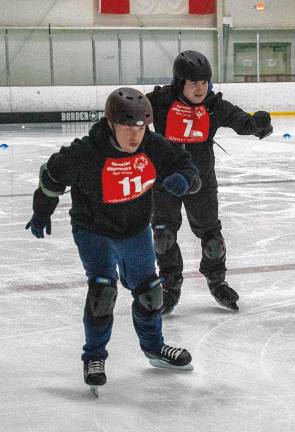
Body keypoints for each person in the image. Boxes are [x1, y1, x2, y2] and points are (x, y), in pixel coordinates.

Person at [25, 87, 201, 391]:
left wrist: (184, 179)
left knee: (149, 292)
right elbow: (51, 176)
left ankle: (155, 348)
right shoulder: (85, 153)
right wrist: (42, 210)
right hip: (94, 231)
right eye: (127, 127)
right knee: (103, 291)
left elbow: (188, 167)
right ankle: (94, 356)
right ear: (110, 123)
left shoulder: (153, 145)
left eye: (141, 127)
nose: (135, 135)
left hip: (134, 230)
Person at [146, 50, 273, 314]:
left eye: (204, 82)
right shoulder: (160, 101)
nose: (200, 89)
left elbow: (242, 121)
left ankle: (217, 282)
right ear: (180, 83)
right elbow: (129, 113)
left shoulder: (214, 106)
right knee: (163, 236)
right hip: (164, 184)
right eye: (194, 83)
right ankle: (170, 286)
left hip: (201, 183)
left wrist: (258, 125)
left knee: (212, 239)